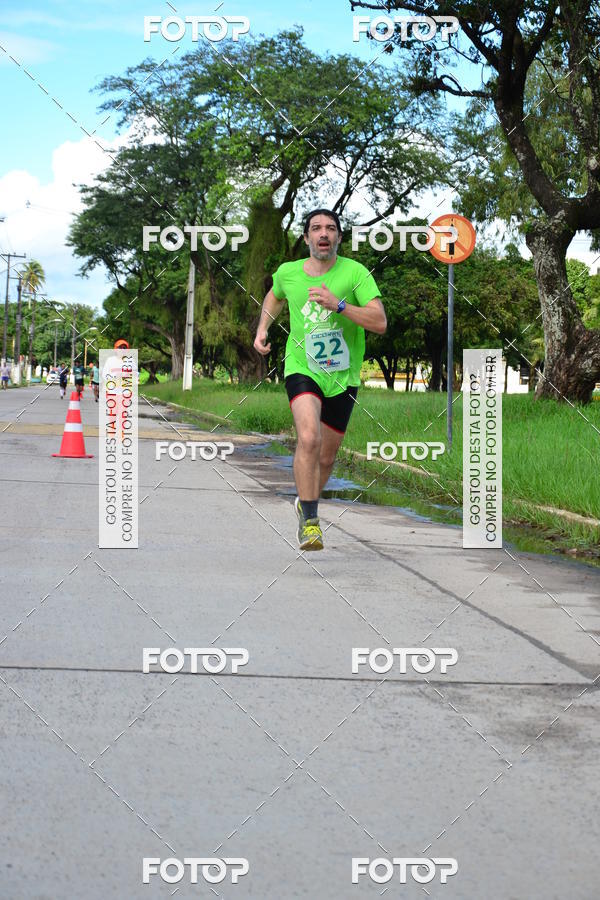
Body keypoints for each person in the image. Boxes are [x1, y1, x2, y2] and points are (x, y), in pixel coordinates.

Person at [253, 208, 386, 551]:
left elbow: (379, 322)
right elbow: (275, 296)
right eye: (316, 228)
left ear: (339, 237)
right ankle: (310, 521)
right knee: (308, 439)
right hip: (303, 367)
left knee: (326, 458)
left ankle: (304, 501)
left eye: (330, 228)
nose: (323, 233)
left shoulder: (355, 273)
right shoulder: (289, 272)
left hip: (342, 375)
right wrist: (262, 329)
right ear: (307, 237)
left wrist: (339, 306)